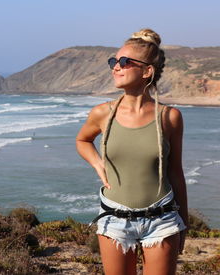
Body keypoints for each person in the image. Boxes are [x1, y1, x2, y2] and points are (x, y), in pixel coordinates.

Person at [76, 28, 189, 275]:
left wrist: (185, 223)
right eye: (113, 61)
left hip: (162, 219)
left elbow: (176, 171)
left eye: (125, 62)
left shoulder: (170, 117)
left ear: (147, 71)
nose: (116, 67)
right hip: (114, 218)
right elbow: (83, 141)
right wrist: (98, 164)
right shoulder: (102, 113)